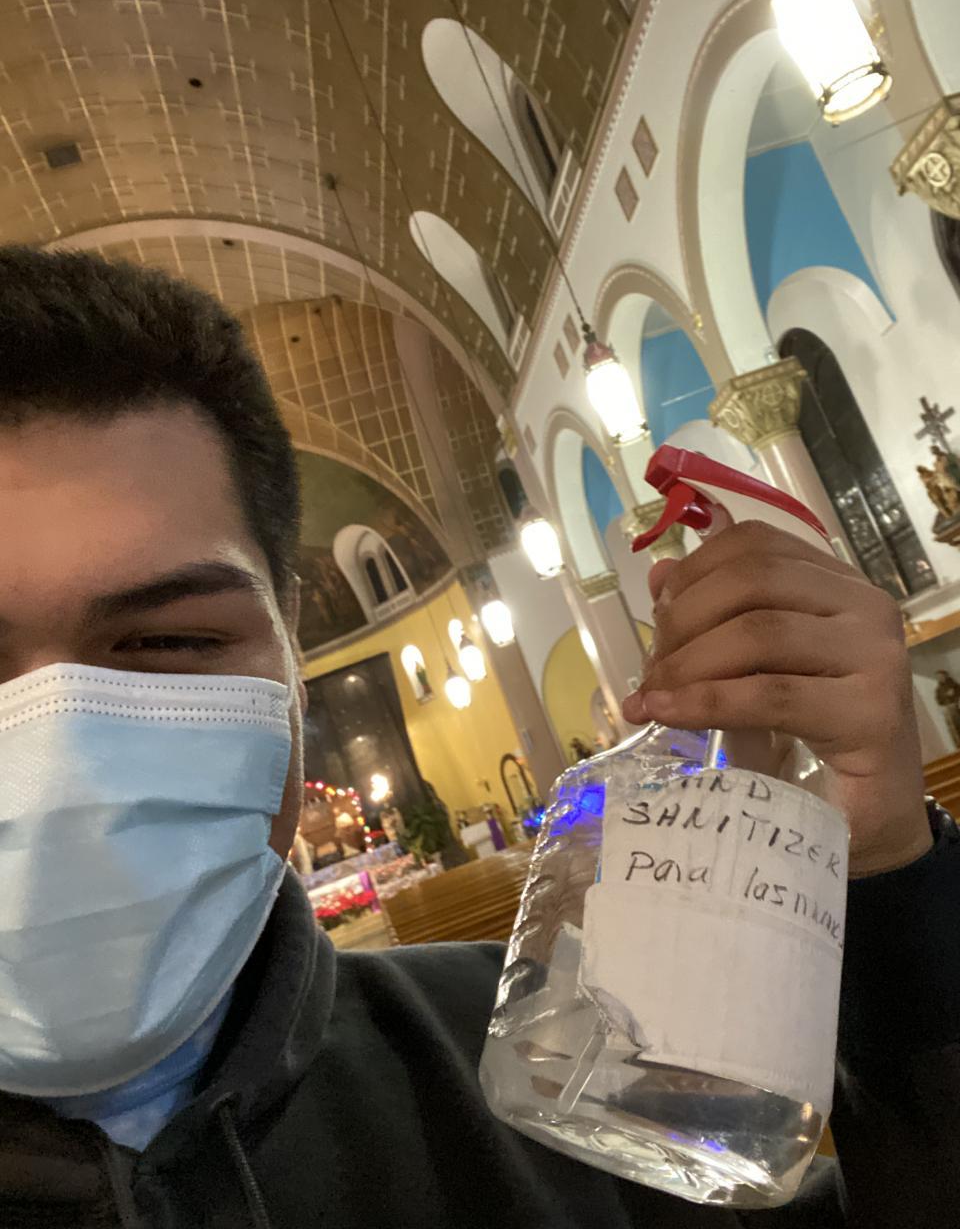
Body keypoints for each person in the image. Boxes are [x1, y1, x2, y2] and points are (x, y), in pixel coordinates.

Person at [0, 245, 956, 1228]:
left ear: (293, 651)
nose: (61, 758)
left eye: (168, 640)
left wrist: (891, 887)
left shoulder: (564, 1054)